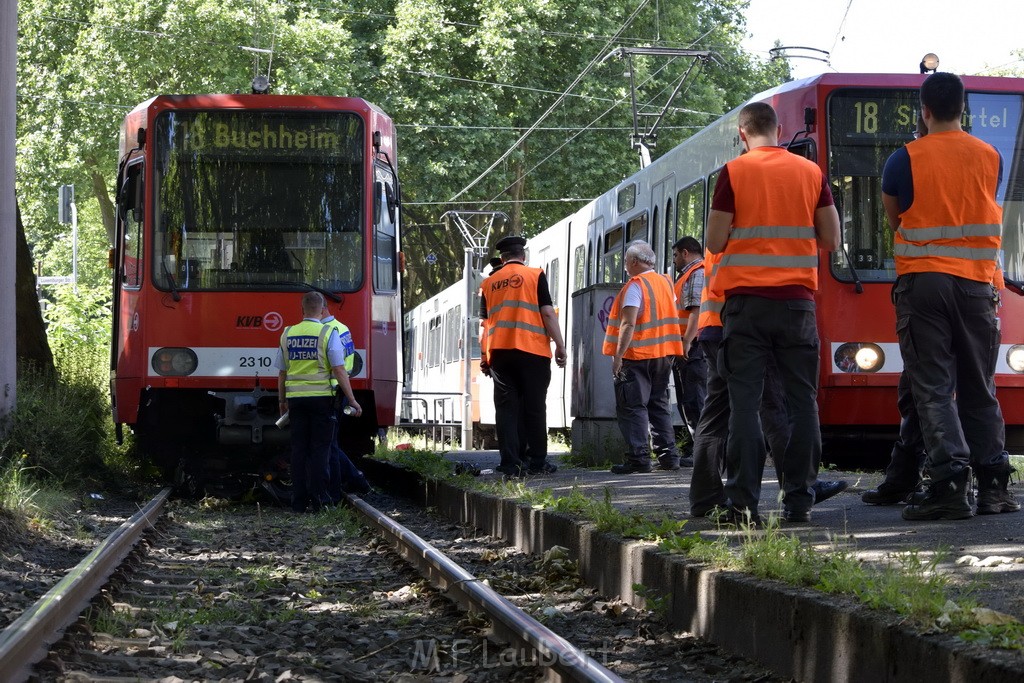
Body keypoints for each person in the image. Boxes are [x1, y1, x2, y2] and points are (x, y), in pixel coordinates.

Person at [881, 72, 1018, 520]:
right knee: (981, 386)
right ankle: (994, 487)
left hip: (925, 285)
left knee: (934, 387)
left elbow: (895, 223)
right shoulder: (991, 156)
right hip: (979, 285)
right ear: (964, 109)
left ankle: (949, 483)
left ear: (923, 110)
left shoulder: (903, 160)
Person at [706, 101, 841, 525]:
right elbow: (831, 239)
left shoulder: (734, 172)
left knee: (745, 406)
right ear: (779, 129)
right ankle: (798, 499)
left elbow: (712, 242)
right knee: (803, 403)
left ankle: (742, 504)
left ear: (743, 133)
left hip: (747, 307)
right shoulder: (810, 172)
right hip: (797, 303)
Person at [688, 251, 847, 518]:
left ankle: (705, 498)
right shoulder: (749, 235)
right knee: (774, 409)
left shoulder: (725, 234)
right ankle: (799, 488)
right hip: (737, 325)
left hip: (713, 327)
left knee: (716, 414)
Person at [480, 235, 567, 477]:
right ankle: (537, 462)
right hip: (533, 352)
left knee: (506, 409)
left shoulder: (489, 283)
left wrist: (484, 358)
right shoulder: (535, 275)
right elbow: (547, 313)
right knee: (534, 407)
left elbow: (484, 325)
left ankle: (510, 464)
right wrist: (560, 345)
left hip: (500, 354)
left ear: (503, 258)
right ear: (523, 256)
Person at [603, 240, 685, 473]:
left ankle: (638, 459)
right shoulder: (665, 283)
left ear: (636, 261)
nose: (626, 266)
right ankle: (669, 457)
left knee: (633, 407)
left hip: (637, 355)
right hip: (664, 355)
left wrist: (618, 356)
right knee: (659, 405)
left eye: (627, 261)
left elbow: (629, 323)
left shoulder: (635, 285)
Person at [277, 291, 362, 513]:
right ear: (323, 308)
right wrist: (352, 400)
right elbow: (339, 369)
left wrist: (282, 401)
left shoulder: (288, 333)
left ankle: (298, 503)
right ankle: (320, 501)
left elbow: (282, 373)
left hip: (296, 401)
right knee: (320, 451)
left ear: (301, 309)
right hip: (322, 401)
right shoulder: (328, 332)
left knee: (298, 451)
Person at [321, 303, 372, 499]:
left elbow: (338, 367)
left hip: (331, 392)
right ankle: (355, 479)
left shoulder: (329, 330)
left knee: (330, 444)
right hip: (339, 391)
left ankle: (354, 479)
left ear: (323, 309)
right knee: (331, 443)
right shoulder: (342, 328)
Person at [670, 236, 706, 456]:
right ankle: (698, 448)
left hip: (693, 345)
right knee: (688, 399)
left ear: (685, 253)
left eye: (675, 255)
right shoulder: (687, 275)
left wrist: (686, 342)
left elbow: (696, 310)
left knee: (694, 399)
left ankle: (702, 452)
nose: (673, 260)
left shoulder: (697, 273)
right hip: (688, 345)